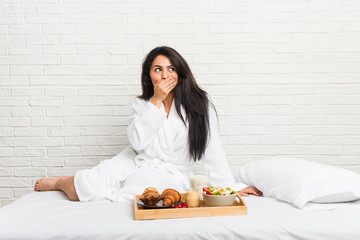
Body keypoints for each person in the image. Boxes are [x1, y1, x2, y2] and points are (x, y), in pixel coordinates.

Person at [34, 46, 262, 202]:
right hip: (133, 158)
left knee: (148, 194)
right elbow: (137, 143)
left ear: (180, 73)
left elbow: (213, 150)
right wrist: (156, 102)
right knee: (79, 189)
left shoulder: (200, 104)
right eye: (158, 69)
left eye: (171, 68)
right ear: (149, 76)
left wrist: (229, 189)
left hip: (170, 172)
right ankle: (61, 182)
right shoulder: (143, 104)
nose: (165, 75)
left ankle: (113, 187)